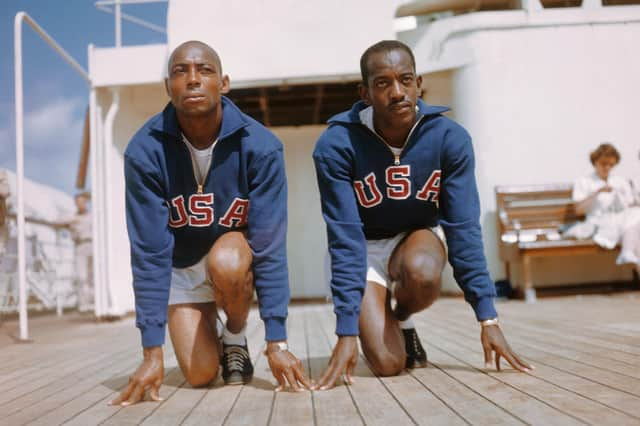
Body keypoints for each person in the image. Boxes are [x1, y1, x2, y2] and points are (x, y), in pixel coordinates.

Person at [312, 40, 532, 389]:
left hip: (414, 240)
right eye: (383, 83)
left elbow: (462, 228)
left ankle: (401, 317)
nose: (397, 92)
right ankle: (393, 329)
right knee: (387, 364)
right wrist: (346, 332)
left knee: (425, 271)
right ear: (365, 93)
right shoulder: (336, 144)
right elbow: (344, 236)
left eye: (405, 79)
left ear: (419, 84)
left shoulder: (449, 138)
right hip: (362, 248)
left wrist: (488, 319)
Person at [112, 40, 310, 406]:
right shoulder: (144, 152)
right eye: (180, 71)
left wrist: (277, 342)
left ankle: (234, 337)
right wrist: (151, 355)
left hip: (229, 258)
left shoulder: (261, 146)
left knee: (230, 260)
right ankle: (207, 330)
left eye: (204, 70)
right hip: (180, 266)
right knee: (200, 376)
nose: (192, 79)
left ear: (225, 83)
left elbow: (268, 247)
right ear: (168, 87)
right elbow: (149, 254)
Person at [569, 143, 640, 270]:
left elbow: (629, 205)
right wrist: (597, 193)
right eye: (603, 163)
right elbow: (578, 210)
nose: (607, 168)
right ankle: (627, 251)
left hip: (622, 222)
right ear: (595, 162)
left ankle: (628, 252)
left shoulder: (619, 181)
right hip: (600, 222)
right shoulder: (584, 181)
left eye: (611, 165)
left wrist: (621, 197)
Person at [68, 192, 93, 312]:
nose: (80, 204)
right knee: (81, 276)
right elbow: (72, 235)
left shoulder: (92, 216)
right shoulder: (74, 218)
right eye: (78, 202)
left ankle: (93, 302)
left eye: (82, 202)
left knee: (92, 275)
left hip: (92, 245)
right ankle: (84, 304)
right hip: (80, 246)